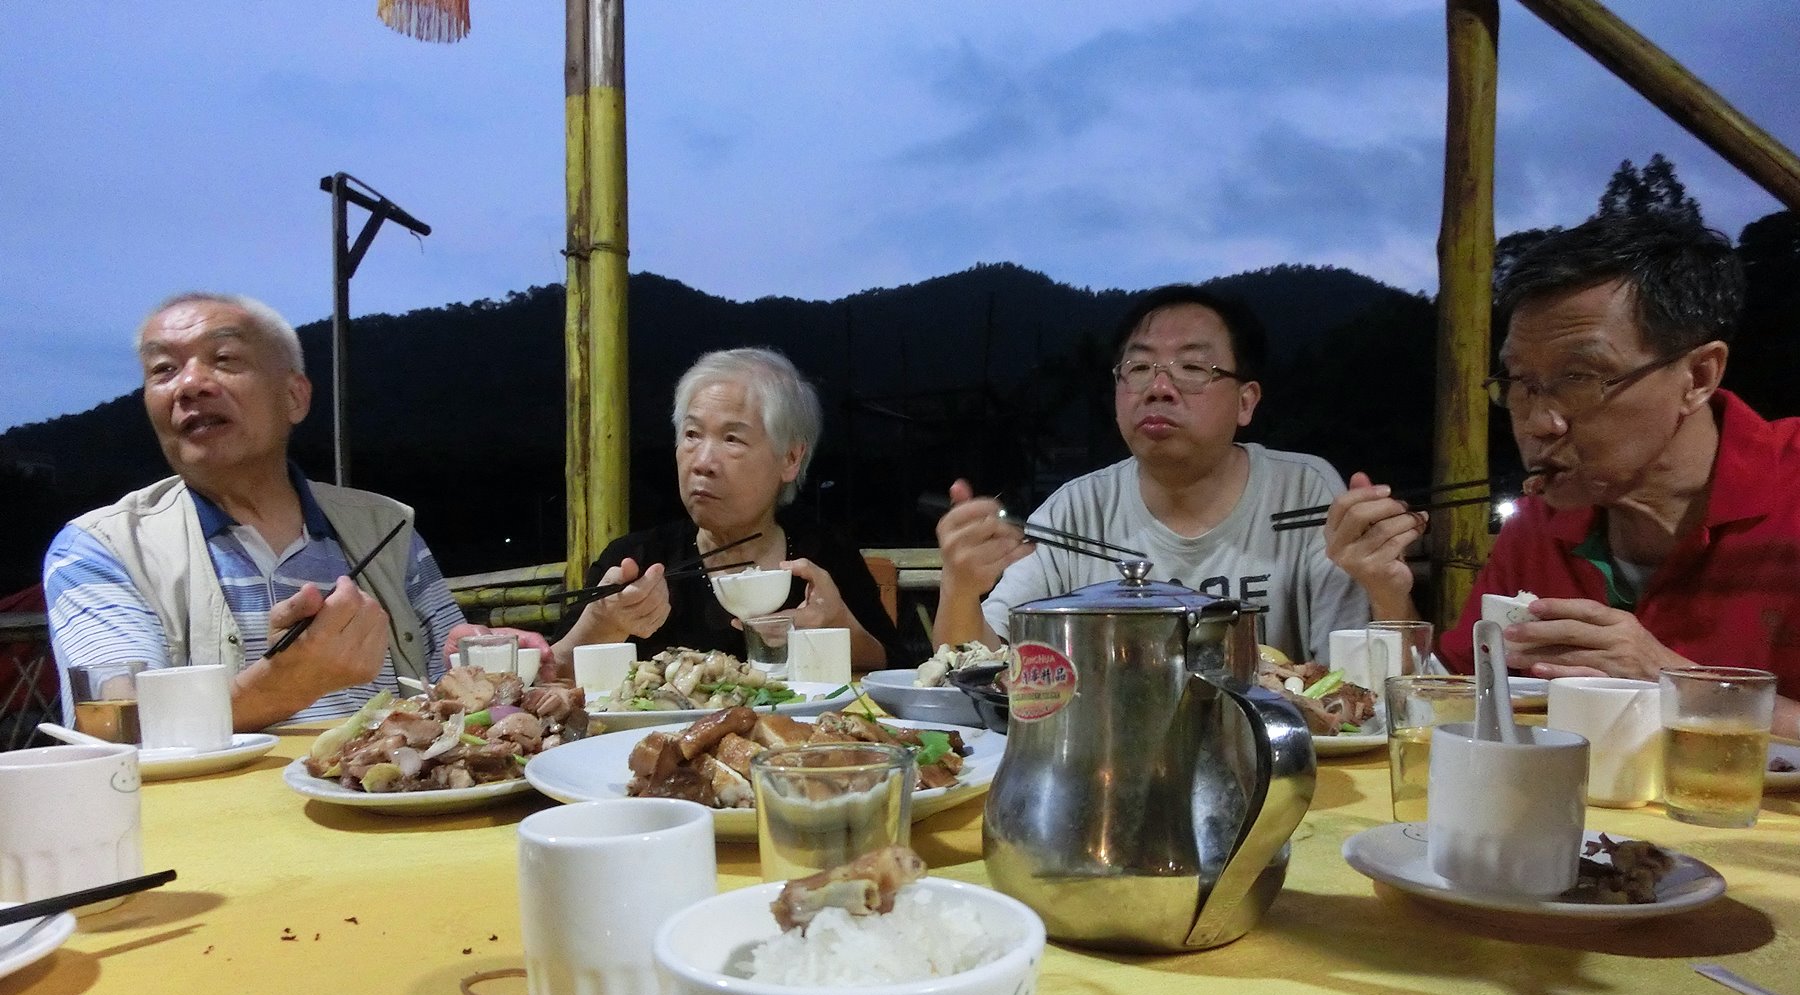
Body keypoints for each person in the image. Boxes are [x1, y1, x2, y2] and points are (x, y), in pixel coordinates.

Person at [1326, 212, 1800, 739]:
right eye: (1521, 383)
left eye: (1579, 377)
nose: (1538, 424)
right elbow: (1456, 702)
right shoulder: (1542, 520)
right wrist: (1388, 591)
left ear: (1698, 376)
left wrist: (1673, 682)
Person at [43, 292, 487, 731]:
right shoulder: (102, 548)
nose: (189, 384)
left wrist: (488, 665)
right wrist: (285, 683)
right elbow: (116, 728)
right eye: (163, 369)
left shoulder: (386, 526)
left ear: (294, 397)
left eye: (224, 359)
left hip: (387, 776)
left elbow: (453, 691)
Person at [932, 284, 1369, 661]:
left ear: (1245, 402)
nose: (1160, 388)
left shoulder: (1303, 493)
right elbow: (979, 663)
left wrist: (1385, 587)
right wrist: (961, 588)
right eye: (1139, 369)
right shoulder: (1076, 512)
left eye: (1192, 368)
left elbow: (1353, 670)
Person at [550, 348, 906, 673]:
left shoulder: (822, 557)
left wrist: (840, 627)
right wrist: (600, 625)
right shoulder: (637, 561)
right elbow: (551, 674)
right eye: (692, 434)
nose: (702, 463)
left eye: (732, 439)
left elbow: (898, 668)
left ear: (790, 458)